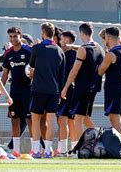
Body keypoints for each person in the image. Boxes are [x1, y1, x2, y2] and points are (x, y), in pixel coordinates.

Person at [61, 23, 104, 152]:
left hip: (81, 88)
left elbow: (74, 71)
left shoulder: (82, 49)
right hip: (93, 88)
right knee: (85, 118)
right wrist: (71, 46)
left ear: (82, 33)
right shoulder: (99, 48)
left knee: (77, 119)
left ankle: (80, 149)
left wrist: (65, 87)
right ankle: (100, 138)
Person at [28, 22, 65, 159]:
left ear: (43, 33)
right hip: (54, 90)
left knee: (36, 119)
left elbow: (31, 65)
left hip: (38, 89)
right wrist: (61, 92)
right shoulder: (60, 50)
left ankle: (36, 151)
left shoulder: (37, 48)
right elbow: (62, 75)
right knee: (51, 121)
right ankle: (48, 151)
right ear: (53, 33)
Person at [1, 27, 32, 157]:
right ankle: (16, 150)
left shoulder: (29, 51)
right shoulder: (8, 54)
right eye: (11, 37)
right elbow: (5, 74)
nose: (13, 39)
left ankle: (35, 149)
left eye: (15, 36)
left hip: (28, 91)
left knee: (29, 119)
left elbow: (35, 69)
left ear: (20, 36)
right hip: (14, 92)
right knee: (14, 119)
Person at [56, 30, 77, 157]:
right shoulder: (67, 53)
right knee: (69, 120)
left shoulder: (71, 54)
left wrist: (64, 88)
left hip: (67, 90)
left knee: (64, 119)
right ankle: (72, 150)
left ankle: (64, 150)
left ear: (67, 41)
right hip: (70, 89)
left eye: (62, 39)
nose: (60, 41)